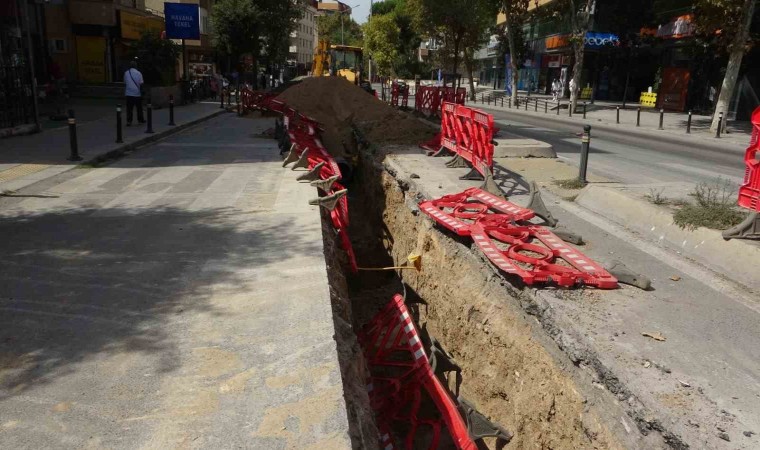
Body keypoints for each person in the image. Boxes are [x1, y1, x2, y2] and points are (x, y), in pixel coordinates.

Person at [124, 60, 145, 126]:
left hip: (128, 93)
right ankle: (140, 120)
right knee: (139, 108)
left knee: (129, 108)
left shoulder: (126, 73)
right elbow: (141, 83)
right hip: (137, 93)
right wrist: (142, 92)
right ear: (136, 66)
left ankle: (129, 121)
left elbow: (125, 82)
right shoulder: (139, 73)